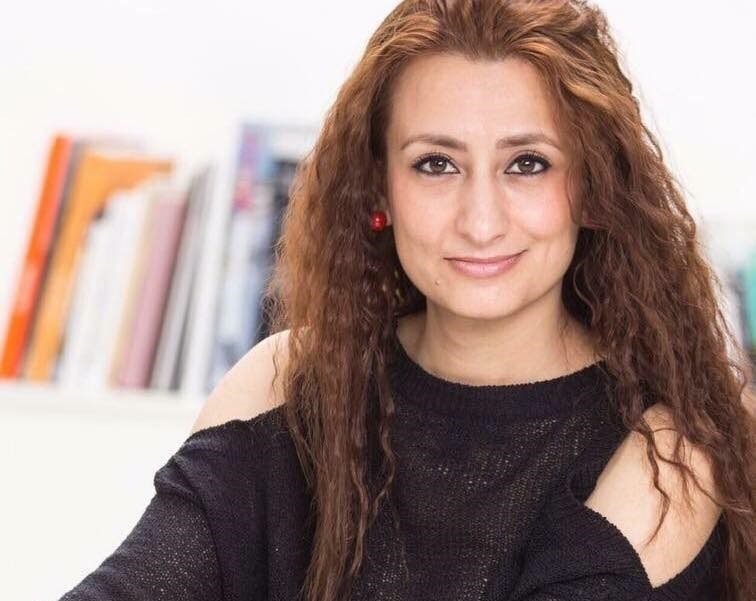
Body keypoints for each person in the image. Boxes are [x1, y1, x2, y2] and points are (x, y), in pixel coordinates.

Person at [58, 1, 755, 600]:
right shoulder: (286, 386)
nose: (481, 221)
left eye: (527, 163)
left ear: (594, 188)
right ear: (379, 190)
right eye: (436, 164)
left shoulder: (670, 448)